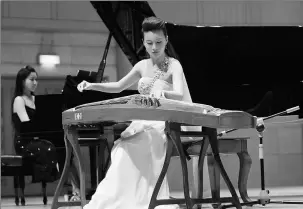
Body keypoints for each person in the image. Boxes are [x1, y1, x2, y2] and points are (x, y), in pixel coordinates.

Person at [77, 16, 211, 209]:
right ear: (143, 43)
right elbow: (118, 86)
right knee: (124, 147)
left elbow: (180, 93)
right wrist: (92, 85)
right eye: (149, 43)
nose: (154, 47)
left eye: (158, 42)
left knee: (144, 141)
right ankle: (125, 200)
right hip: (146, 120)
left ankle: (150, 198)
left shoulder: (174, 65)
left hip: (167, 120)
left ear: (166, 40)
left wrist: (162, 92)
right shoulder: (141, 66)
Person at [11, 65, 59, 205]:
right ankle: (51, 173)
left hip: (37, 140)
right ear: (22, 81)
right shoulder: (19, 100)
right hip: (24, 142)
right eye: (32, 79)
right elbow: (27, 126)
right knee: (47, 148)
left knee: (58, 146)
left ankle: (67, 182)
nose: (35, 83)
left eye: (36, 80)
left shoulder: (36, 99)